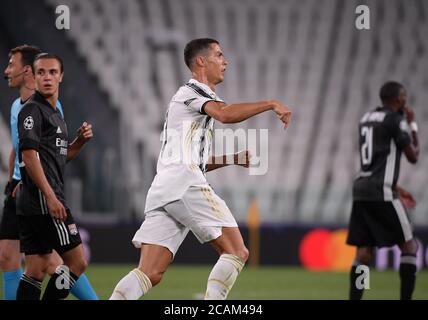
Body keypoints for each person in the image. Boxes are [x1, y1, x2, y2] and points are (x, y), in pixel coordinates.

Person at [110, 38, 292, 300]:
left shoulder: (186, 101)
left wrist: (231, 158)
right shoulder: (192, 92)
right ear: (201, 61)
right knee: (236, 251)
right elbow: (226, 115)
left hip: (165, 188)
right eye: (219, 55)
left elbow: (195, 159)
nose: (225, 61)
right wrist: (271, 103)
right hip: (185, 184)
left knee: (150, 272)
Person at [1, 45, 97, 300]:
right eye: (41, 72)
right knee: (77, 263)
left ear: (61, 76)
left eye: (52, 72)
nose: (47, 77)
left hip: (34, 200)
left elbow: (58, 158)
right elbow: (28, 156)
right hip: (45, 200)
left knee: (35, 269)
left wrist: (79, 142)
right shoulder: (32, 111)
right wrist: (51, 197)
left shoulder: (55, 113)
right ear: (33, 75)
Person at [347, 81, 420, 300]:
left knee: (364, 253)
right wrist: (412, 125)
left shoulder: (366, 118)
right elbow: (413, 156)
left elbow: (374, 163)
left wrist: (398, 187)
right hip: (382, 191)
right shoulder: (396, 120)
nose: (405, 103)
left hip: (362, 189)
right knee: (409, 247)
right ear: (398, 100)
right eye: (403, 99)